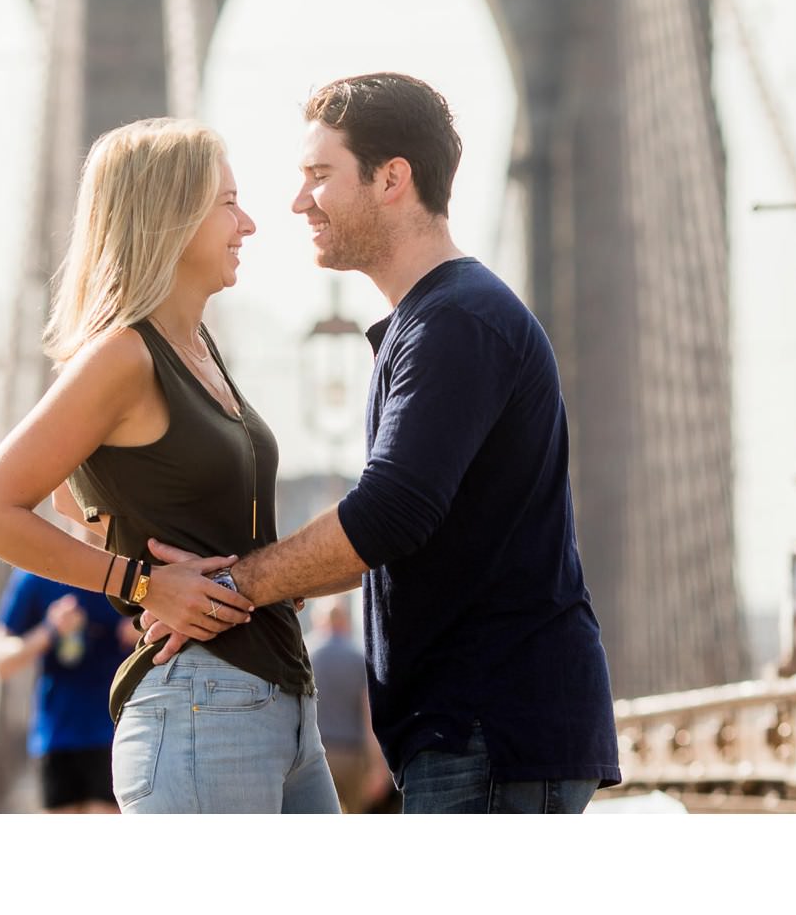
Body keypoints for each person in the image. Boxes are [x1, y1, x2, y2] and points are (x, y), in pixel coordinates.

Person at [143, 72, 621, 813]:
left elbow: (390, 514)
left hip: (489, 729)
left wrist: (226, 591)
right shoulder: (439, 321)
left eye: (320, 176)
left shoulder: (455, 323)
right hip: (479, 729)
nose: (299, 202)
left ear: (392, 178)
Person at [0, 117, 340, 814]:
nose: (249, 223)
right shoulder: (123, 356)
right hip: (202, 708)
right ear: (171, 216)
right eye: (228, 202)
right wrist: (141, 583)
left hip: (281, 702)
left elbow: (84, 503)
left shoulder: (200, 350)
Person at [0, 568, 140, 812]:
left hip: (117, 732)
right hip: (58, 736)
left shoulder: (132, 569)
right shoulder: (35, 573)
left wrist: (144, 630)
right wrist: (49, 630)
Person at [303, 596, 392, 813]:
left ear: (319, 621)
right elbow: (369, 717)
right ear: (345, 621)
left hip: (315, 755)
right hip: (353, 757)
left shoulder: (306, 653)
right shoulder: (360, 658)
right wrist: (379, 768)